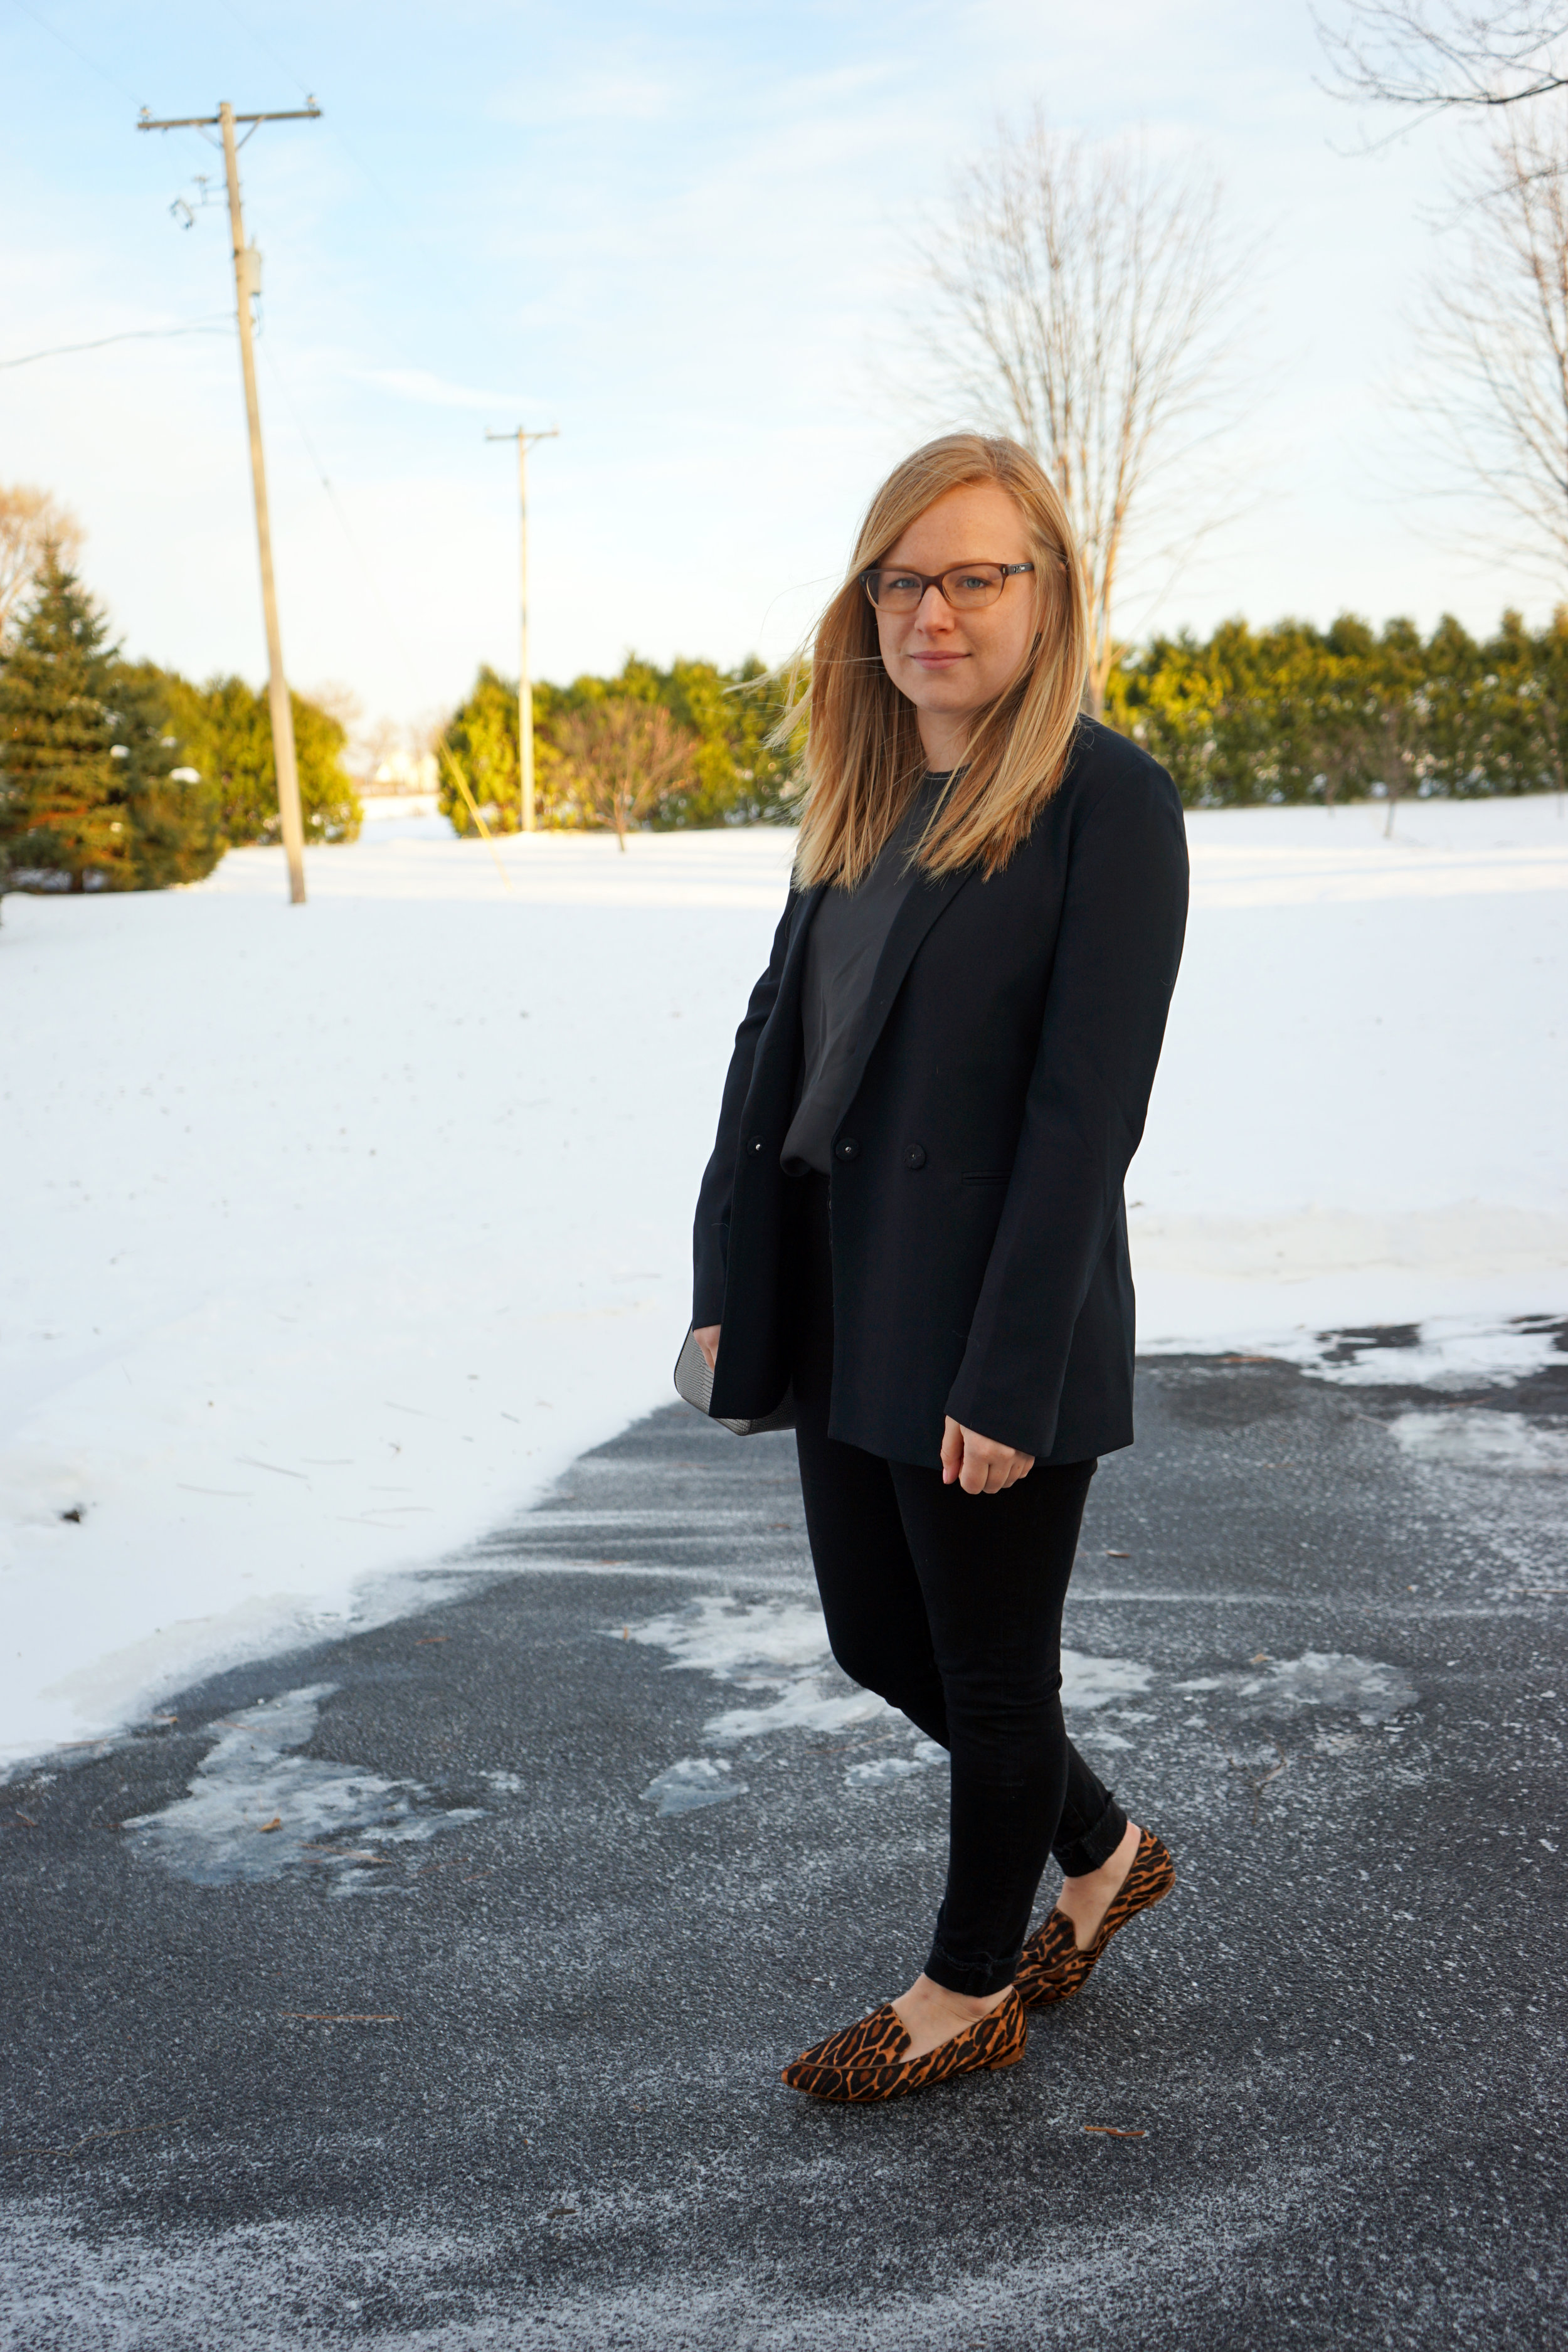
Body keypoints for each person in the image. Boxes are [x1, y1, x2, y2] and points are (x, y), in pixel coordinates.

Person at [689, 433, 1189, 2103]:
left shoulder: (1104, 804)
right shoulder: (860, 789)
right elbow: (776, 1050)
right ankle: (1101, 1847)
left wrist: (1008, 1370)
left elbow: (1081, 1117)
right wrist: (726, 1276)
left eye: (976, 575)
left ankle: (968, 1985)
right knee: (873, 1640)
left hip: (986, 1305)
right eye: (902, 579)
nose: (936, 612)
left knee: (984, 1667)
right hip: (841, 1286)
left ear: (1046, 592)